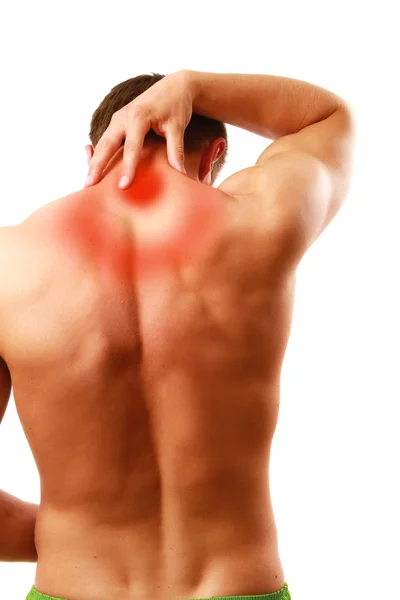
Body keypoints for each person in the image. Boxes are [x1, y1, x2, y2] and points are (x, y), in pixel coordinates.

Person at [0, 70, 355, 600]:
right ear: (212, 156)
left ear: (95, 152)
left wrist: (69, 531)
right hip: (236, 586)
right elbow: (331, 120)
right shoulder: (261, 222)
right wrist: (194, 85)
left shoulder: (10, 263)